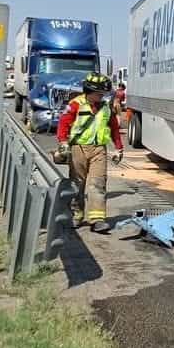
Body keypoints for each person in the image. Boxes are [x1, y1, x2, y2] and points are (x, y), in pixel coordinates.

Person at [56, 72, 123, 232]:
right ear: (90, 91)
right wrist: (63, 142)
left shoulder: (106, 107)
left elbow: (114, 129)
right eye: (99, 93)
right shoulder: (75, 104)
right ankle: (76, 215)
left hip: (99, 150)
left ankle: (97, 219)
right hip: (78, 148)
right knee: (77, 184)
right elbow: (63, 124)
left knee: (98, 184)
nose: (102, 96)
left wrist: (119, 148)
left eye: (103, 93)